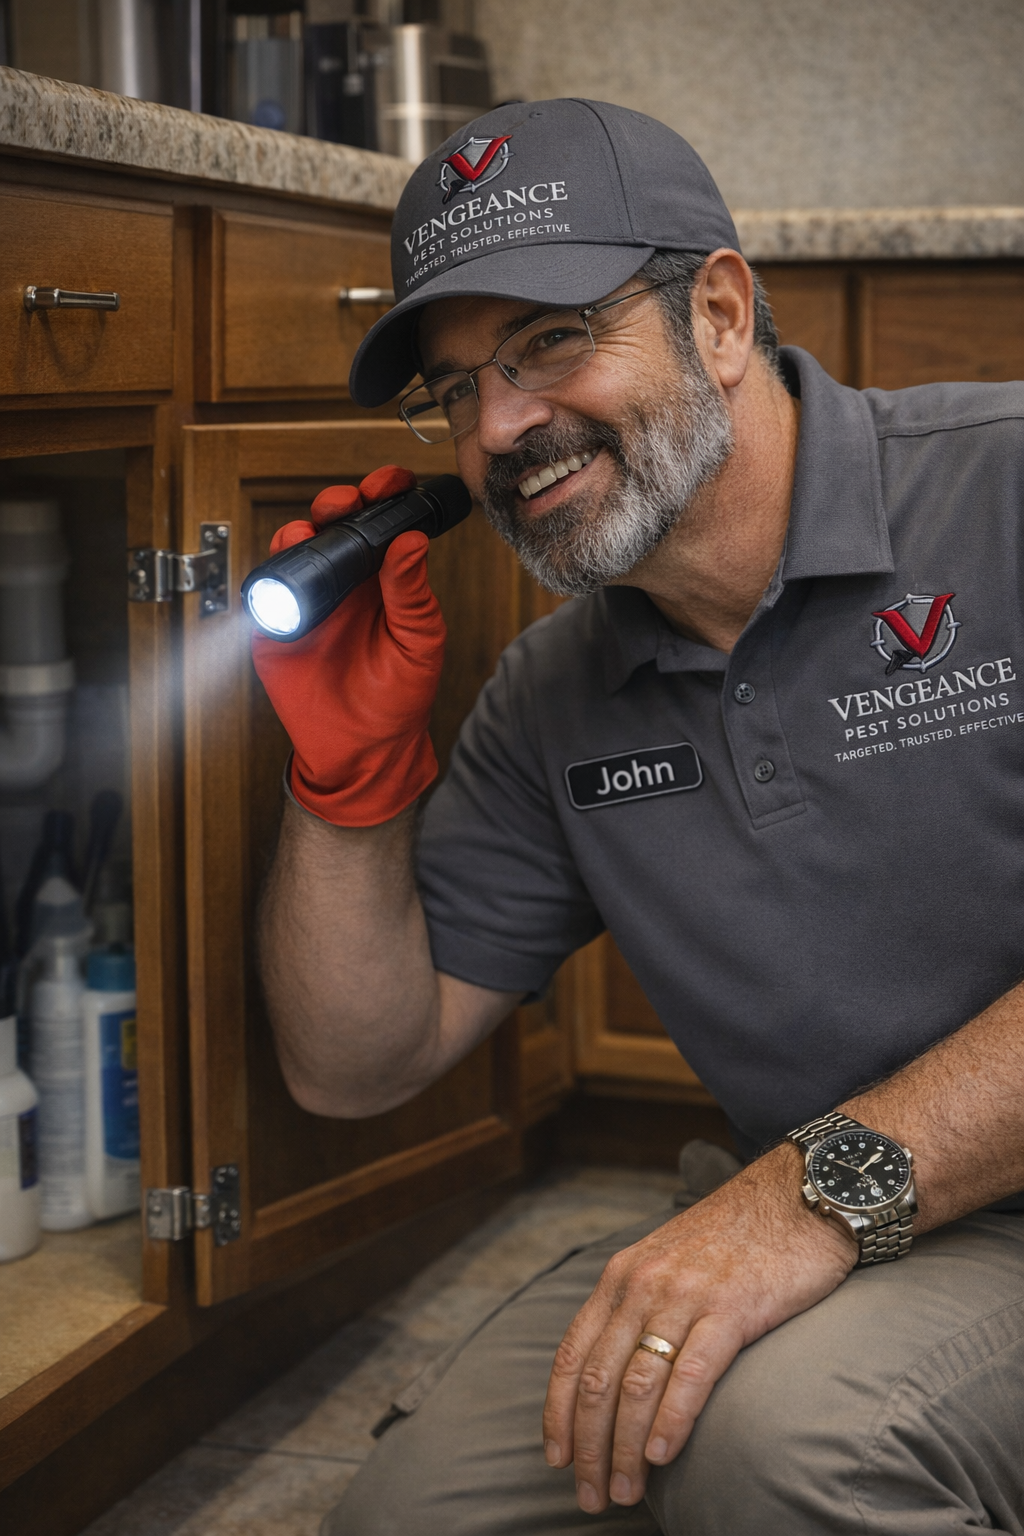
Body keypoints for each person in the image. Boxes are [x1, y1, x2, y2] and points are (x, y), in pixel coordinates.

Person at [253, 100, 1024, 1535]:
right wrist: (346, 785)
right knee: (412, 1516)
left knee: (788, 1453)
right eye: (454, 389)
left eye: (551, 340)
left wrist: (792, 1204)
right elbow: (356, 1065)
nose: (499, 429)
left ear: (718, 315)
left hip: (918, 1208)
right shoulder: (554, 695)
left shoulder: (1007, 491)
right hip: (827, 1211)